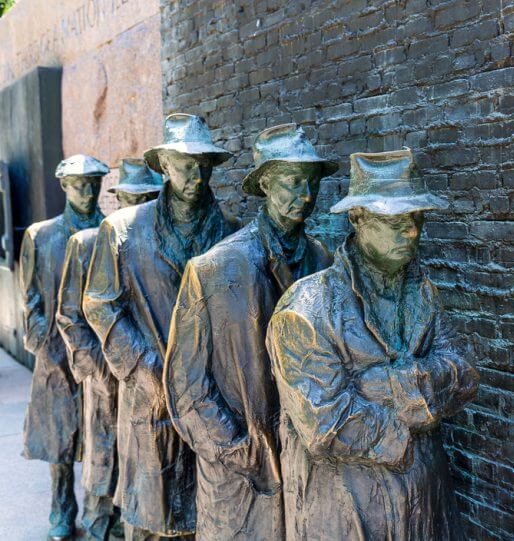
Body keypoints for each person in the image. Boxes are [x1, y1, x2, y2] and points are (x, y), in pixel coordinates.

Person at [266, 148, 479, 540]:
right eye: (394, 221)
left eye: (415, 219)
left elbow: (463, 375)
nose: (412, 232)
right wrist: (414, 423)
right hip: (346, 512)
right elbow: (325, 424)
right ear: (357, 219)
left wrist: (385, 384)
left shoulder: (424, 294)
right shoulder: (307, 308)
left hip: (426, 507)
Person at [164, 123, 338, 540]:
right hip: (238, 471)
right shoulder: (215, 268)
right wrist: (239, 450)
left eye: (311, 182)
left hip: (308, 466)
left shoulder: (323, 263)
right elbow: (186, 386)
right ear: (264, 183)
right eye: (293, 182)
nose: (307, 196)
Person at [83, 114, 234, 540]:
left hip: (211, 396)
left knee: (206, 512)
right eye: (186, 164)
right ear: (164, 166)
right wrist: (147, 368)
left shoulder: (231, 234)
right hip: (149, 394)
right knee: (150, 516)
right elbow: (100, 305)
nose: (197, 174)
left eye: (204, 164)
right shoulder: (122, 230)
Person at [57, 158, 163, 540]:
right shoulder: (89, 241)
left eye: (148, 197)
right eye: (132, 198)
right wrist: (101, 370)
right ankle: (98, 525)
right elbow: (70, 315)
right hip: (107, 376)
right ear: (118, 198)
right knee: (103, 465)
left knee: (139, 472)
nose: (139, 205)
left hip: (143, 379)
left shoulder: (156, 244)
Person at [20, 154, 108, 541]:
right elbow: (31, 301)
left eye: (93, 183)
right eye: (78, 184)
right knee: (59, 440)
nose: (86, 192)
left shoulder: (112, 231)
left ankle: (100, 510)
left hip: (101, 355)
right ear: (63, 186)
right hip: (54, 355)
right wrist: (43, 345)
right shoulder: (41, 235)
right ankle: (61, 508)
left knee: (101, 437)